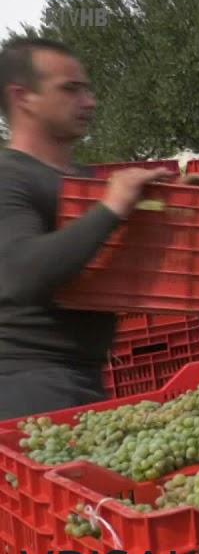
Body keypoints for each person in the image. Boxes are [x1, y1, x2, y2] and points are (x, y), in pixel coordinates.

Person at [0, 37, 178, 420]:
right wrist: (111, 206)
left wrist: (182, 205)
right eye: (70, 89)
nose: (90, 101)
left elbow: (106, 249)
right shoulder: (9, 178)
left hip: (81, 374)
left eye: (88, 89)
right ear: (23, 97)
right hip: (29, 385)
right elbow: (20, 274)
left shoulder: (83, 179)